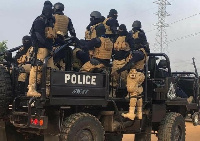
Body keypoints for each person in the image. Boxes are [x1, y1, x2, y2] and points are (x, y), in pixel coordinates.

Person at [112, 44, 148, 120]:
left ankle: (131, 113)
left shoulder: (138, 54)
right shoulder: (143, 54)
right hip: (140, 74)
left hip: (134, 75)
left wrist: (118, 71)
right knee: (138, 94)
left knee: (133, 93)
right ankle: (139, 113)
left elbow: (130, 64)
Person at [27, 4, 55, 97]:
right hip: (40, 49)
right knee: (37, 68)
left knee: (50, 70)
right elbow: (39, 37)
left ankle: (47, 90)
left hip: (48, 49)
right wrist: (49, 46)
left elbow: (51, 36)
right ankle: (31, 89)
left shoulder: (48, 22)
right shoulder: (39, 21)